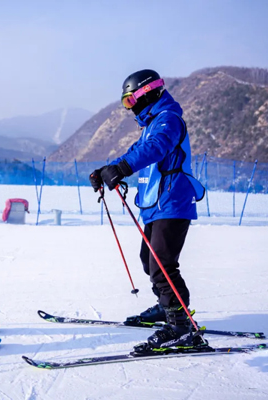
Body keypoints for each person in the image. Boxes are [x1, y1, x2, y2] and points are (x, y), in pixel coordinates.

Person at [89, 70, 206, 351]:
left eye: (130, 102)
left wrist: (122, 168)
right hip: (156, 204)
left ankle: (180, 325)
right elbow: (136, 150)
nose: (130, 108)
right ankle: (165, 307)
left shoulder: (168, 120)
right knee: (148, 260)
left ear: (146, 94)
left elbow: (156, 148)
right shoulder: (151, 123)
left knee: (163, 266)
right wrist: (106, 170)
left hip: (173, 202)